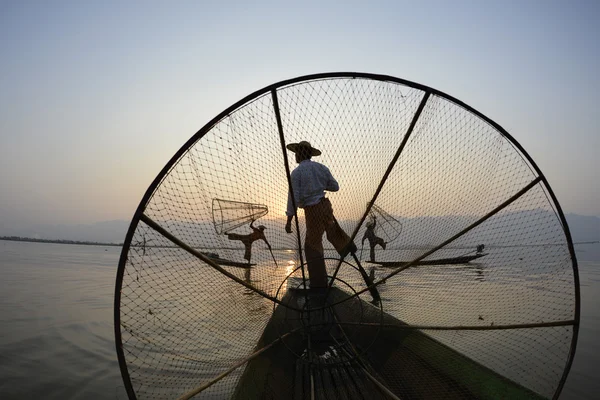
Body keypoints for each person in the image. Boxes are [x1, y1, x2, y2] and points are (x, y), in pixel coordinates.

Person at [284, 141, 356, 288]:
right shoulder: (321, 168)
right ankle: (347, 245)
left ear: (300, 154)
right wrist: (320, 185)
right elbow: (334, 187)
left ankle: (318, 282)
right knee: (332, 230)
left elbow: (293, 197)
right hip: (325, 205)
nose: (295, 156)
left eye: (296, 153)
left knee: (312, 245)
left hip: (313, 209)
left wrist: (289, 220)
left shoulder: (297, 173)